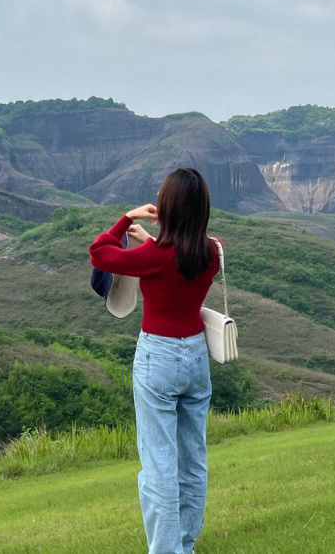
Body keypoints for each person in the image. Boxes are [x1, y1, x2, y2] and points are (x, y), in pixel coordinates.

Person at [89, 167, 221, 554]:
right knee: (193, 460)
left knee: (159, 464)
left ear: (165, 207)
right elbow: (179, 261)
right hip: (196, 357)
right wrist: (152, 239)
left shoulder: (153, 257)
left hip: (158, 359)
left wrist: (127, 218)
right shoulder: (211, 253)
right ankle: (185, 545)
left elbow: (99, 251)